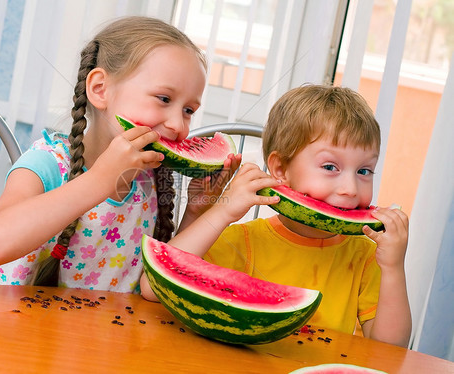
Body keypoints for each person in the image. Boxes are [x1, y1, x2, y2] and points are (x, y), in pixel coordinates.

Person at [0, 16, 239, 292]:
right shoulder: (48, 163)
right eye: (164, 99)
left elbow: (156, 285)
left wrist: (196, 213)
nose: (178, 125)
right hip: (19, 331)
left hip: (108, 333)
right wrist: (101, 179)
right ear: (100, 89)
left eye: (189, 110)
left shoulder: (150, 180)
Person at [141, 84, 412, 347]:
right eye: (330, 167)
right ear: (280, 169)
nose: (350, 189)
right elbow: (154, 289)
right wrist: (222, 212)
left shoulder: (365, 255)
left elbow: (391, 347)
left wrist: (393, 267)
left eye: (364, 171)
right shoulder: (242, 241)